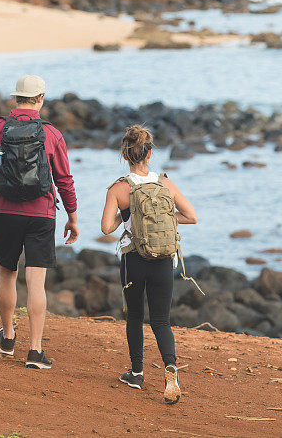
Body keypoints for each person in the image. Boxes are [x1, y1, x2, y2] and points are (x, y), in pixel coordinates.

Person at [0, 74, 79, 369]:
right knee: (36, 282)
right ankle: (35, 351)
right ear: (41, 99)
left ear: (15, 98)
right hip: (42, 214)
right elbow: (64, 180)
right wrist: (72, 216)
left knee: (7, 274)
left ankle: (7, 338)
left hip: (5, 212)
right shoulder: (52, 135)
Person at [100, 125, 198, 404]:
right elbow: (191, 216)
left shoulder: (119, 188)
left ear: (125, 154)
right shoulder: (166, 184)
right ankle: (171, 370)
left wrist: (126, 216)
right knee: (161, 320)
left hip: (134, 259)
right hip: (164, 259)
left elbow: (106, 228)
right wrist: (164, 217)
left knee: (134, 316)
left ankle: (136, 372)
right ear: (150, 153)